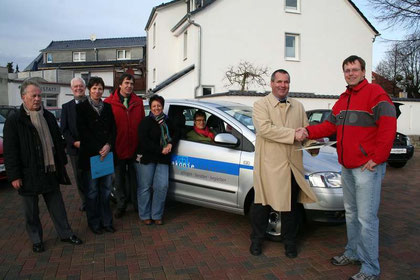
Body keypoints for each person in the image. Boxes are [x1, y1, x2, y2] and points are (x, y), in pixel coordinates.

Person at [302, 55, 396, 280]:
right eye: (347, 70)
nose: (351, 73)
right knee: (352, 214)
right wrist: (307, 131)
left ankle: (370, 268)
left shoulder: (376, 95)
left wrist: (378, 157)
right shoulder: (343, 99)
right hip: (346, 166)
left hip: (366, 168)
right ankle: (352, 252)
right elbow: (329, 125)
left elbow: (388, 127)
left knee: (366, 218)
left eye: (354, 69)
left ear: (363, 71)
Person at [3, 79, 83, 253]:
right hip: (28, 173)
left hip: (50, 170)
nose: (38, 99)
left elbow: (57, 139)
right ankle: (36, 239)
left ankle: (66, 233)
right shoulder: (15, 120)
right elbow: (10, 150)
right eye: (34, 96)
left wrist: (61, 161)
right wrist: (14, 175)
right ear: (24, 97)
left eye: (40, 95)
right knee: (31, 211)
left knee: (58, 206)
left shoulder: (47, 116)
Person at [249, 69, 317, 258]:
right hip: (269, 165)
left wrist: (313, 145)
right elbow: (265, 129)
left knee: (291, 207)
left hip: (292, 165)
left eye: (286, 82)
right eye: (279, 81)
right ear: (271, 84)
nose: (282, 85)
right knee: (262, 205)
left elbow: (306, 131)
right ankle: (256, 240)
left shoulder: (298, 106)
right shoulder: (260, 105)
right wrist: (293, 135)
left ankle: (290, 242)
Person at [77, 77, 116, 235]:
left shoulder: (107, 107)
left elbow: (113, 129)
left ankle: (107, 222)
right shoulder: (81, 108)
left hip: (105, 155)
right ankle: (94, 223)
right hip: (91, 157)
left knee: (106, 191)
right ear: (89, 89)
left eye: (100, 88)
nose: (97, 91)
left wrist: (108, 145)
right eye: (94, 88)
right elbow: (82, 132)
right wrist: (99, 148)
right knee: (92, 192)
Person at [104, 73, 145, 218]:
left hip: (134, 148)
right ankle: (121, 204)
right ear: (120, 85)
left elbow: (142, 125)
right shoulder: (109, 102)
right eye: (126, 83)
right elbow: (106, 127)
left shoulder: (138, 102)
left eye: (132, 84)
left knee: (135, 179)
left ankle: (136, 204)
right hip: (117, 148)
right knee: (119, 179)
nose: (129, 86)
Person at [136, 95, 179, 225]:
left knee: (162, 186)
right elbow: (144, 141)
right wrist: (160, 149)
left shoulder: (168, 121)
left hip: (163, 159)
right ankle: (145, 215)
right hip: (148, 158)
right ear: (150, 107)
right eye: (154, 106)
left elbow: (177, 132)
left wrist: (171, 144)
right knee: (145, 187)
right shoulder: (145, 121)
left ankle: (157, 214)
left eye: (159, 106)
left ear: (162, 106)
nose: (156, 108)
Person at [61, 77, 87, 211]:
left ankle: (95, 199)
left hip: (91, 148)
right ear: (72, 89)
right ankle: (85, 201)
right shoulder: (66, 107)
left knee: (94, 174)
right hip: (75, 149)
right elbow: (64, 129)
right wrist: (74, 142)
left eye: (81, 86)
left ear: (85, 88)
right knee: (79, 176)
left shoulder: (92, 104)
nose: (78, 88)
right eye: (75, 86)